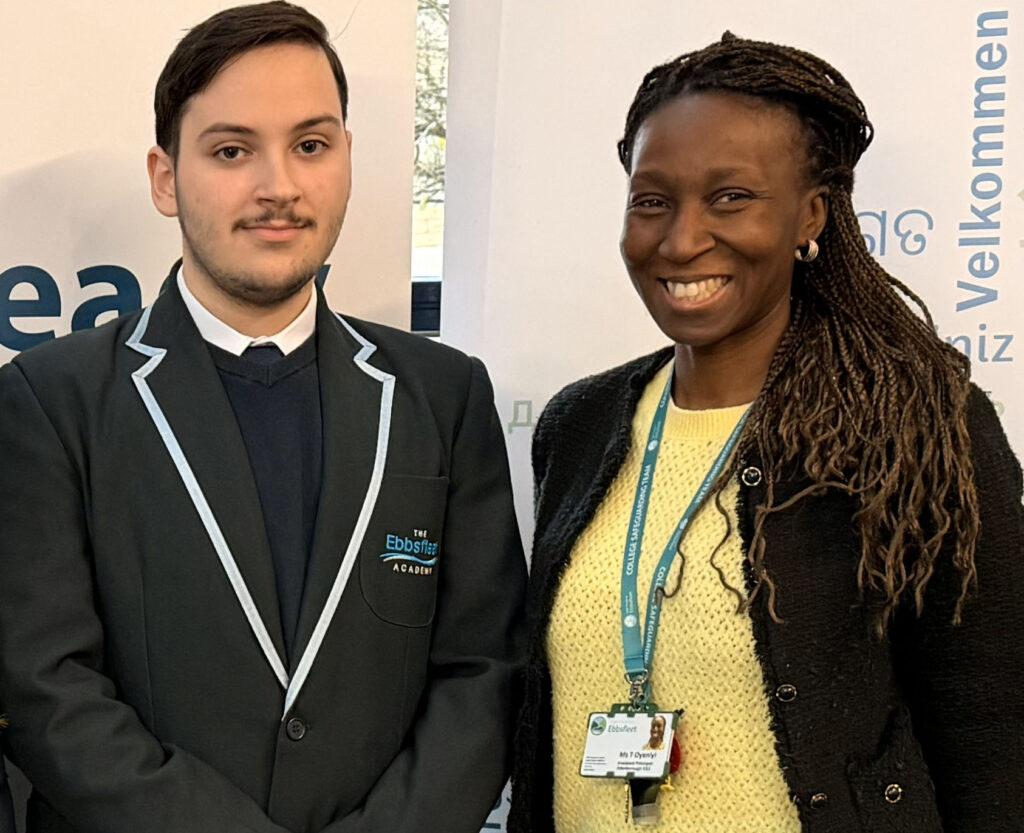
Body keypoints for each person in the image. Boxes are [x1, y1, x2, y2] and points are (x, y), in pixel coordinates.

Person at [0, 3, 526, 832]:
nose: (278, 186)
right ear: (166, 177)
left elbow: (483, 674)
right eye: (232, 150)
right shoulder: (51, 398)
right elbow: (47, 687)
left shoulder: (444, 394)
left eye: (310, 145)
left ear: (348, 159)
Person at [510, 32, 1024, 833]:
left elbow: (990, 735)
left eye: (730, 197)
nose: (681, 240)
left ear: (810, 215)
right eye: (652, 200)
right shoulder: (579, 425)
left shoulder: (920, 424)